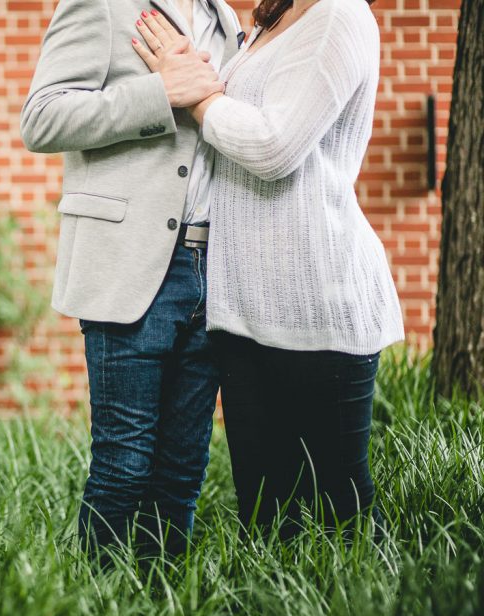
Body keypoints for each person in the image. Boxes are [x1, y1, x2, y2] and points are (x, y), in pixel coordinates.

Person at [133, 0, 404, 539]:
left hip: (318, 303)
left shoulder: (339, 16)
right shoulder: (269, 20)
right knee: (265, 517)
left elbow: (273, 146)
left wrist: (198, 97)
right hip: (242, 310)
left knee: (335, 517)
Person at [20, 0, 244, 560]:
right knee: (123, 467)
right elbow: (42, 118)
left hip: (214, 265)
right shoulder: (102, 5)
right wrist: (158, 92)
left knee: (182, 473)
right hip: (131, 262)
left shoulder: (229, 18)